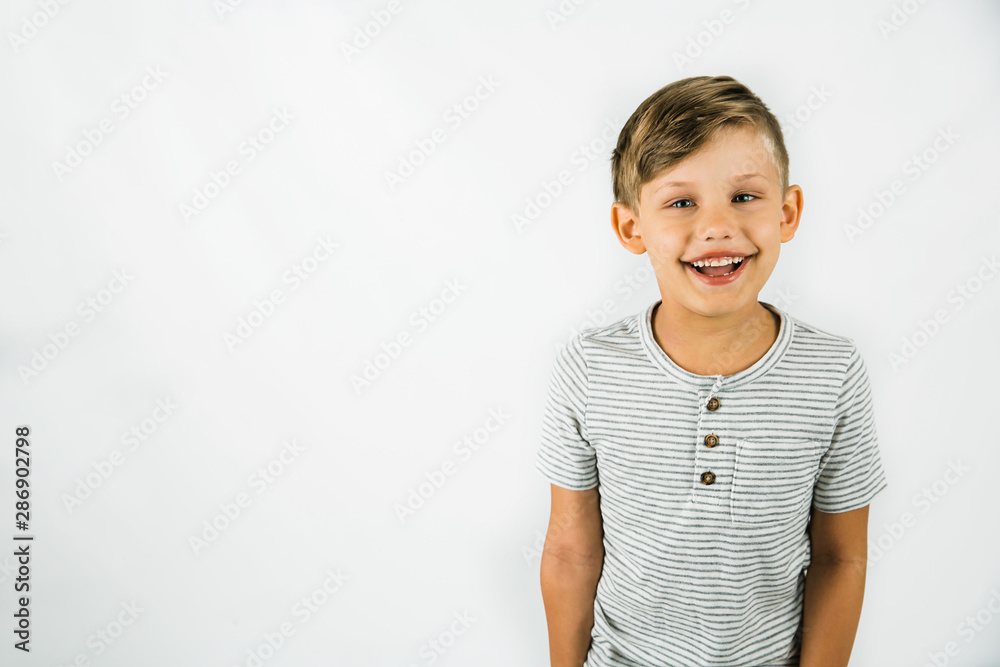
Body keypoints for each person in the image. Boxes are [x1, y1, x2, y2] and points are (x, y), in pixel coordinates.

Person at [535, 75, 889, 667]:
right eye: (681, 202)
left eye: (744, 197)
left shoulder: (834, 371)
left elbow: (841, 558)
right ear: (631, 228)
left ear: (788, 212)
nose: (717, 227)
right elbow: (571, 552)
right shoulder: (590, 368)